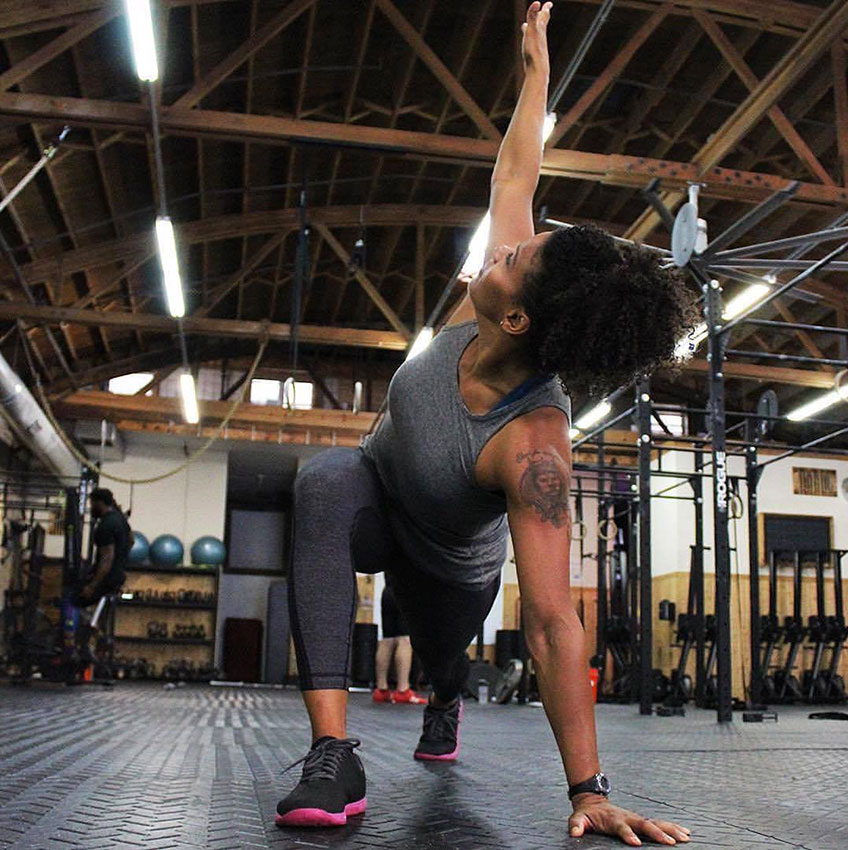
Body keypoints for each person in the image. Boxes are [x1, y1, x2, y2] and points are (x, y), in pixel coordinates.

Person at [278, 3, 694, 844]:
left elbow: (548, 622)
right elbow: (514, 177)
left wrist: (589, 790)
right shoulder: (508, 293)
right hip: (376, 496)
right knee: (322, 478)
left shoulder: (535, 444)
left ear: (517, 324)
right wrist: (535, 76)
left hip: (449, 569)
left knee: (440, 656)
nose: (496, 254)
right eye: (513, 246)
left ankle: (445, 697)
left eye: (508, 262)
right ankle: (332, 753)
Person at [75, 488, 131, 608]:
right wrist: (121, 557)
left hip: (108, 579)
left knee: (74, 597)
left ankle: (87, 626)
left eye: (92, 504)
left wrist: (91, 586)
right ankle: (93, 623)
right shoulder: (121, 519)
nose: (91, 508)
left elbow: (107, 559)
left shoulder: (106, 524)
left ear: (99, 503)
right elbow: (131, 540)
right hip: (118, 575)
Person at [372, 585, 427, 705]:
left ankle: (381, 689)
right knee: (405, 640)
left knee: (388, 639)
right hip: (406, 591)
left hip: (388, 590)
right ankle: (402, 690)